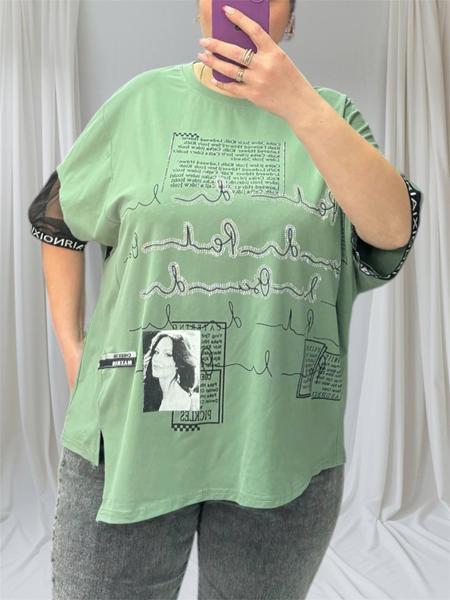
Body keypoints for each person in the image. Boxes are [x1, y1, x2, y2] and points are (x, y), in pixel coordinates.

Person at [28, 1, 423, 598]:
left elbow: (392, 230)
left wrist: (297, 103)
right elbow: (59, 214)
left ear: (292, 14)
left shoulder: (332, 117)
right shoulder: (141, 104)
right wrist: (71, 344)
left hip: (277, 439)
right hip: (132, 434)